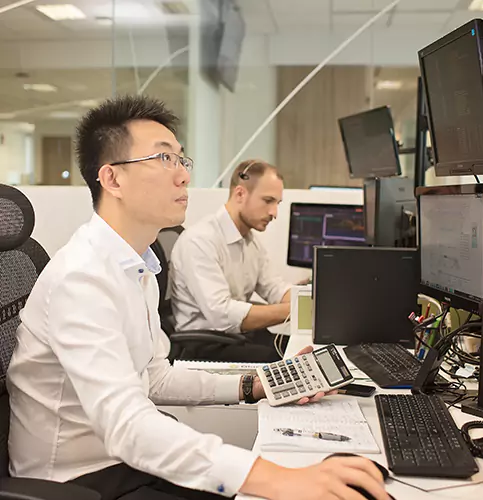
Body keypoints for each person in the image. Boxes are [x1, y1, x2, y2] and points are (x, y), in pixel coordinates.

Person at [7, 95, 389, 500]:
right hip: (76, 481)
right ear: (112, 179)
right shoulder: (81, 278)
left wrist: (255, 384)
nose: (184, 176)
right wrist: (279, 478)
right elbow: (126, 427)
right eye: (163, 159)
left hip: (122, 462)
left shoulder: (136, 265)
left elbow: (155, 377)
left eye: (182, 160)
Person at [170, 160, 292, 362]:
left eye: (277, 204)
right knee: (288, 364)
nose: (274, 213)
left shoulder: (250, 242)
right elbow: (222, 315)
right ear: (240, 194)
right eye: (268, 201)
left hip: (235, 337)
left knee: (302, 352)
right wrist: (290, 311)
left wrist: (307, 303)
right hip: (205, 345)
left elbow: (273, 288)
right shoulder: (201, 240)